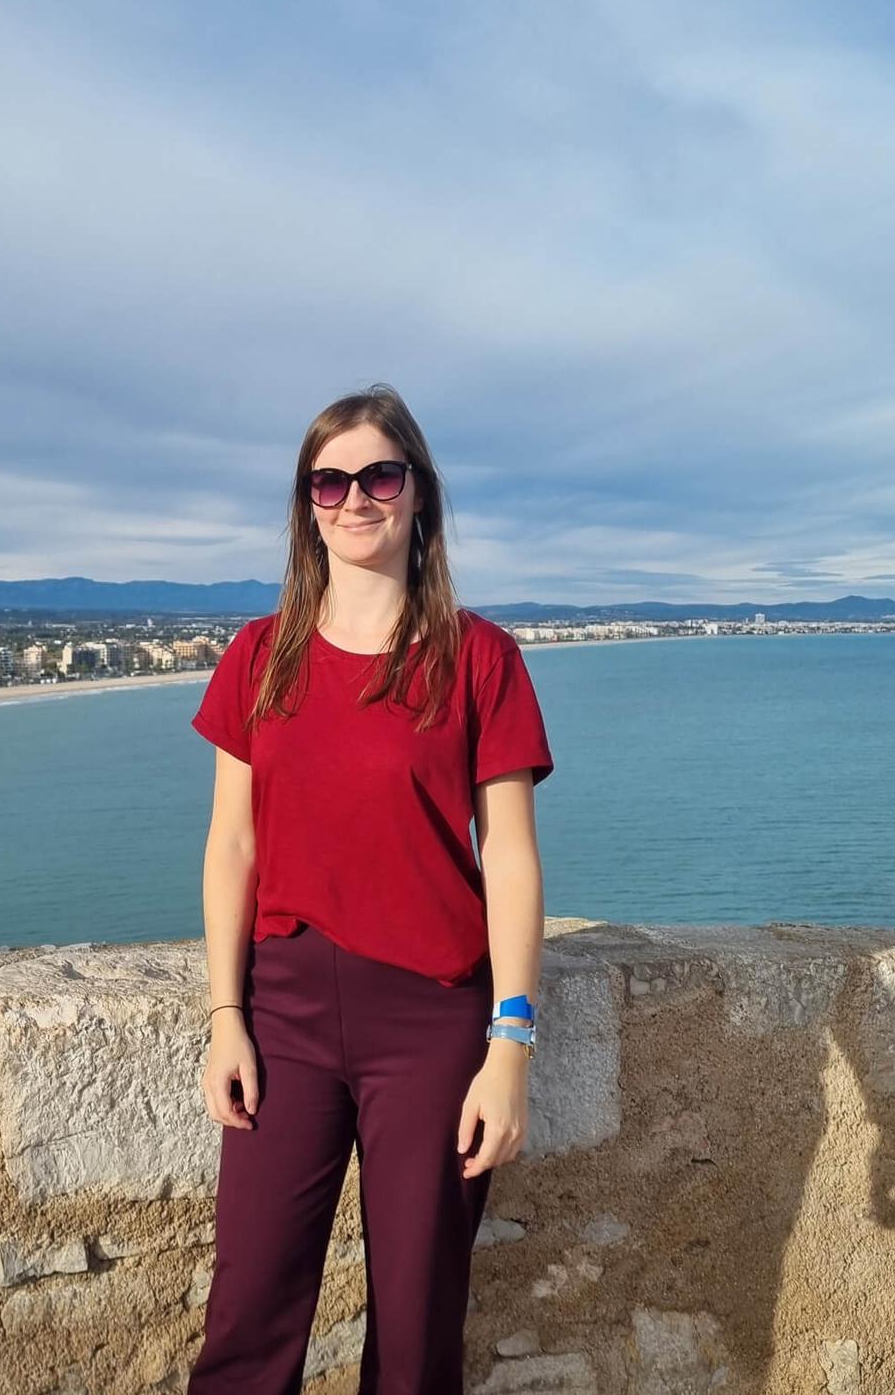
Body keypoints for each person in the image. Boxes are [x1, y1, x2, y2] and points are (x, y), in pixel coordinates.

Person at [185, 383, 555, 1394]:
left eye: (379, 475)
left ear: (419, 495)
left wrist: (509, 1046)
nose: (356, 498)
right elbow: (232, 847)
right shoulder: (261, 658)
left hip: (433, 1025)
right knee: (248, 1323)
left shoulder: (482, 660)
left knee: (417, 1331)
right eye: (330, 480)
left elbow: (511, 858)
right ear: (308, 504)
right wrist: (227, 1016)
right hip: (287, 1015)